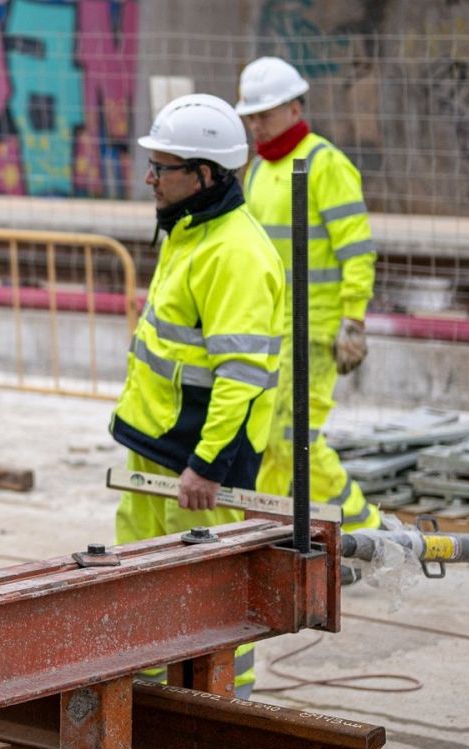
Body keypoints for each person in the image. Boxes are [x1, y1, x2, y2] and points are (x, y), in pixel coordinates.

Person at [112, 94, 284, 699]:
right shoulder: (189, 230)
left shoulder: (236, 254)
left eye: (162, 167)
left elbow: (240, 377)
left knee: (207, 592)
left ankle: (219, 707)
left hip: (197, 460)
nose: (150, 178)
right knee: (140, 577)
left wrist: (208, 465)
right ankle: (146, 698)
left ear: (205, 174)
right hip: (157, 441)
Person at [237, 56, 382, 531]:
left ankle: (365, 530)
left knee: (295, 440)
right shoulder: (258, 170)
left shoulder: (325, 164)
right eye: (250, 116)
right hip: (270, 330)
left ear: (295, 108)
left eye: (264, 114)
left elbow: (356, 250)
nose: (256, 125)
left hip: (315, 331)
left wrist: (353, 320)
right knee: (270, 440)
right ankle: (269, 529)